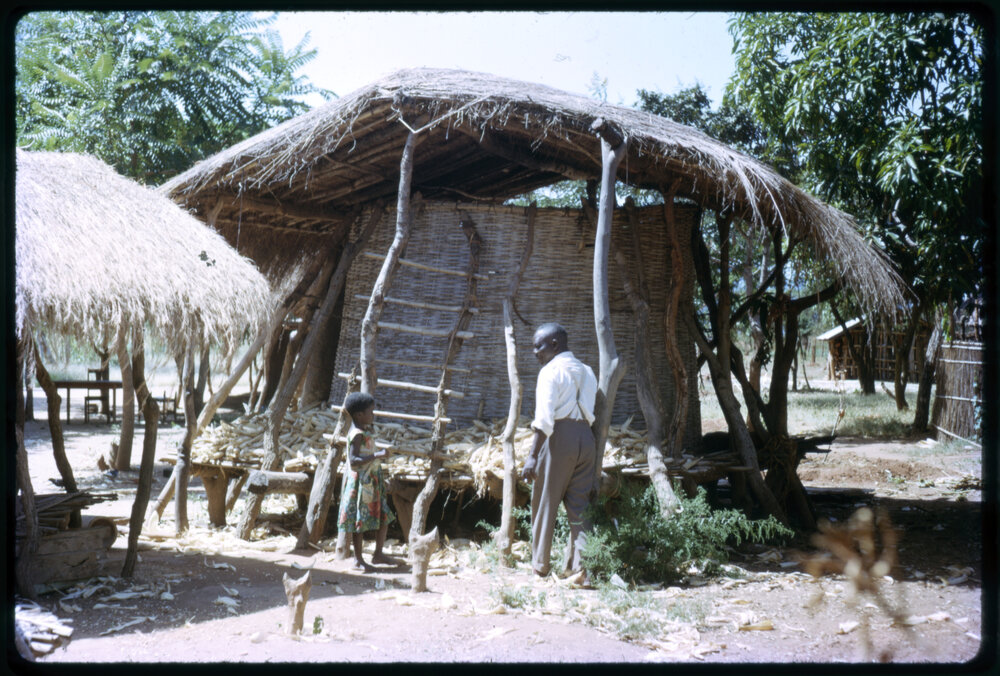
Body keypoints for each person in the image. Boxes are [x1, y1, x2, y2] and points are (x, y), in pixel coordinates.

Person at [520, 322, 598, 579]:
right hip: (587, 440)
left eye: (538, 346)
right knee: (580, 508)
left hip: (559, 439)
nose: (535, 352)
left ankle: (540, 566)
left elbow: (544, 419)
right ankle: (582, 571)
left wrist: (532, 456)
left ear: (554, 344)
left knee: (545, 502)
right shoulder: (587, 371)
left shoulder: (550, 372)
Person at [338, 391, 395, 571]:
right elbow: (354, 460)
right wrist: (377, 455)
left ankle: (378, 554)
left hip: (371, 480)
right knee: (359, 521)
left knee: (383, 516)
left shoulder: (363, 431)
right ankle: (358, 560)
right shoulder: (356, 434)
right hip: (361, 482)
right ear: (359, 415)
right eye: (370, 411)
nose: (373, 414)